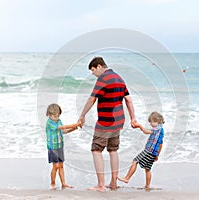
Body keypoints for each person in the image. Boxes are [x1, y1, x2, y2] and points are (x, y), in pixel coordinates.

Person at [77, 57, 137, 192]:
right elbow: (128, 99)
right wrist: (133, 118)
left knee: (96, 150)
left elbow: (92, 99)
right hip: (118, 121)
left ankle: (101, 185)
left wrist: (82, 115)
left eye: (93, 70)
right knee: (113, 150)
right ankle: (113, 183)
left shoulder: (103, 79)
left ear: (99, 66)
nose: (93, 74)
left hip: (105, 121)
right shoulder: (119, 78)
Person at [118, 111, 165, 189]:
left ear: (157, 121)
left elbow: (146, 131)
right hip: (154, 153)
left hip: (149, 150)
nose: (150, 124)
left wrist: (139, 126)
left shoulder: (157, 129)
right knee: (148, 169)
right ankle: (147, 186)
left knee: (135, 161)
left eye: (152, 122)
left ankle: (127, 178)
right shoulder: (161, 131)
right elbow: (160, 144)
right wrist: (157, 155)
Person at [46, 103, 79, 189]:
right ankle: (52, 183)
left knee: (61, 165)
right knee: (55, 166)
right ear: (49, 114)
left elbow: (63, 131)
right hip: (52, 147)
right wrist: (75, 124)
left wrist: (73, 129)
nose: (57, 118)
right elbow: (62, 127)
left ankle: (63, 183)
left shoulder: (58, 121)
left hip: (60, 145)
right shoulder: (49, 123)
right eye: (55, 116)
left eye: (58, 116)